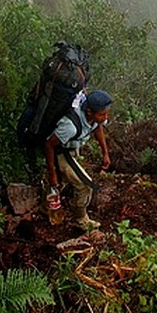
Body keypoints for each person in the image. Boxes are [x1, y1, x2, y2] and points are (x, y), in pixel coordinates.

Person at [44, 89, 112, 231]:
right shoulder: (70, 126)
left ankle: (46, 203)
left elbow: (97, 127)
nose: (105, 117)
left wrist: (105, 153)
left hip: (72, 148)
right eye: (102, 114)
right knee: (86, 185)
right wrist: (52, 173)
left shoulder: (94, 117)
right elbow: (49, 144)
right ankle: (80, 219)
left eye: (106, 113)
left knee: (63, 182)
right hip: (61, 153)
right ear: (89, 112)